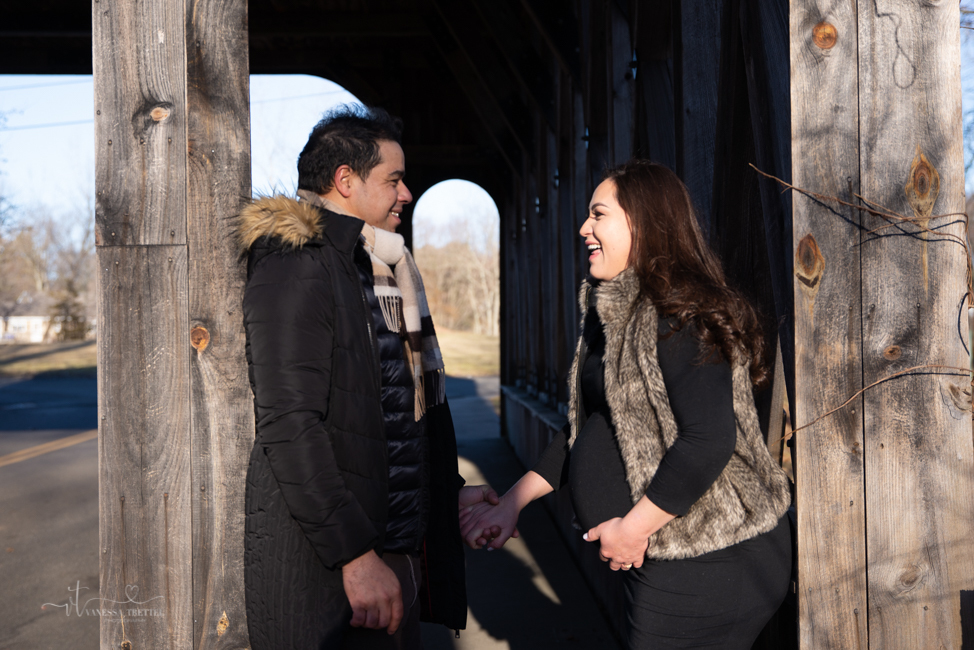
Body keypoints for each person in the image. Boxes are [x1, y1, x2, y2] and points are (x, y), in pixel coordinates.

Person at [460, 160, 793, 649]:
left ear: (645, 223)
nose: (583, 229)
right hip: (664, 556)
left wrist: (633, 530)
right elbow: (587, 428)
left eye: (598, 215)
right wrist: (512, 504)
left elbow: (708, 439)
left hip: (712, 561)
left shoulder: (680, 314)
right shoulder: (613, 315)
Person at [237, 104, 497, 649]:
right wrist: (355, 557)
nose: (407, 195)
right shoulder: (298, 262)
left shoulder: (374, 265)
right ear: (345, 181)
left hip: (389, 553)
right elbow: (290, 424)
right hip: (332, 575)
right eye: (395, 180)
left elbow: (396, 413)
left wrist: (442, 495)